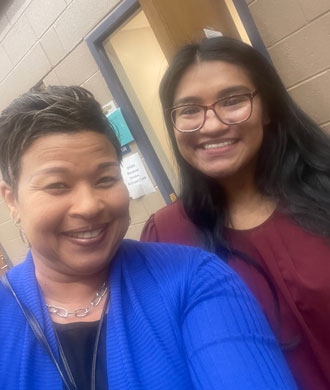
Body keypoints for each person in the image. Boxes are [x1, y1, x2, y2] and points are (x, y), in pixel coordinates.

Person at [0, 86, 296, 390]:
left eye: (106, 179)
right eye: (57, 185)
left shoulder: (194, 279)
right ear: (11, 200)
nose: (89, 205)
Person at [141, 37, 330, 390]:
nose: (211, 125)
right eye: (189, 110)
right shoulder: (166, 238)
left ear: (268, 108)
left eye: (233, 101)